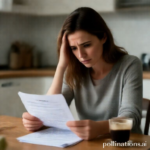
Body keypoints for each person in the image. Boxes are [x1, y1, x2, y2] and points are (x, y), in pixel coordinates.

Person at [22, 7, 142, 140]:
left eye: (86, 45)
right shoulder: (75, 70)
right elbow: (51, 112)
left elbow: (132, 118)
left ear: (103, 37)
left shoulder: (129, 65)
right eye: (73, 48)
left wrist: (100, 128)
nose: (81, 55)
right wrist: (61, 66)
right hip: (91, 144)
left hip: (128, 143)